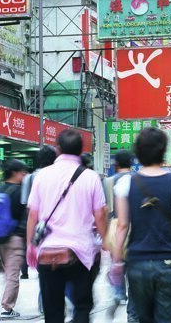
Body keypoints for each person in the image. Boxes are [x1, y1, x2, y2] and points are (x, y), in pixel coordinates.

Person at [112, 127, 171, 323]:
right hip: (170, 261)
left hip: (138, 261)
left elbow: (122, 225)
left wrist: (116, 259)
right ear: (163, 151)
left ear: (138, 153)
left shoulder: (126, 183)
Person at [26, 129, 108, 323]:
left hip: (48, 252)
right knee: (82, 307)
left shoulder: (42, 176)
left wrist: (31, 245)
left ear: (58, 150)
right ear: (81, 152)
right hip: (81, 252)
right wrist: (105, 241)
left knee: (52, 311)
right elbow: (100, 214)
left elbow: (33, 215)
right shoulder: (91, 177)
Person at [0, 160, 30, 318]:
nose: (24, 175)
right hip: (14, 238)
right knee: (13, 274)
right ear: (15, 173)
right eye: (22, 172)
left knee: (8, 271)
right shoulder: (20, 192)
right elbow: (26, 216)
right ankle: (7, 307)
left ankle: (6, 302)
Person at [21, 145, 59, 279]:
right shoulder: (60, 176)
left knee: (44, 269)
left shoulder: (29, 178)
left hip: (37, 227)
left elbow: (29, 209)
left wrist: (29, 242)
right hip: (57, 225)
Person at [102, 150, 134, 306]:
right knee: (133, 260)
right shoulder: (137, 179)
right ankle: (133, 290)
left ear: (116, 164)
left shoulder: (108, 181)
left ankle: (119, 292)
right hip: (135, 224)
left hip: (115, 224)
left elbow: (105, 209)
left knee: (117, 260)